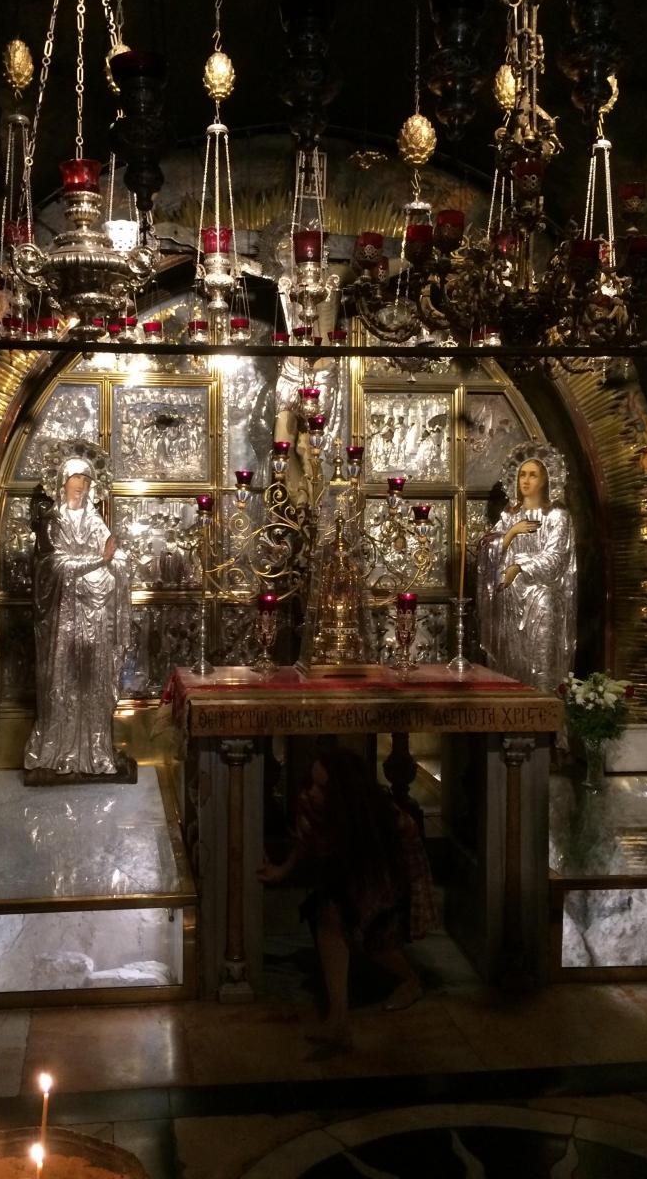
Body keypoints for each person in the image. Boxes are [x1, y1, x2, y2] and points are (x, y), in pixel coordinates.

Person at [257, 749, 437, 1056]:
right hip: (351, 872)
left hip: (388, 872)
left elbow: (406, 847)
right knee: (329, 919)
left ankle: (410, 981)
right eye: (310, 783)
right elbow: (305, 842)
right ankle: (338, 1018)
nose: (311, 792)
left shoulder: (377, 813)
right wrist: (282, 870)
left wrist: (403, 891)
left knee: (375, 940)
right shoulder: (311, 805)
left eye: (321, 787)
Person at [24, 453, 132, 779]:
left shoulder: (94, 520)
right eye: (75, 479)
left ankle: (95, 751)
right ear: (62, 483)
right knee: (64, 679)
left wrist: (117, 561)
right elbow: (53, 566)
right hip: (64, 618)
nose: (80, 486)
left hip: (95, 614)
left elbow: (115, 555)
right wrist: (98, 562)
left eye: (85, 480)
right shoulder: (53, 522)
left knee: (94, 680)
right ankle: (59, 750)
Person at [476, 442, 577, 692]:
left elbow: (555, 560)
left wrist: (518, 566)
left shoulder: (557, 516)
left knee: (540, 665)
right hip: (509, 603)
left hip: (541, 601)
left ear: (546, 480)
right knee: (510, 665)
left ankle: (542, 713)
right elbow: (487, 550)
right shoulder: (509, 516)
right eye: (522, 474)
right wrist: (511, 532)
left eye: (533, 475)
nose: (526, 480)